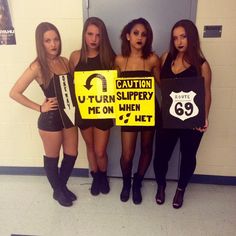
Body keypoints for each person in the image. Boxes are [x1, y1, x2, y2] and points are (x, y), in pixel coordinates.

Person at [9, 22, 78, 207]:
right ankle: (58, 191)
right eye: (47, 40)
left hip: (70, 115)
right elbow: (14, 92)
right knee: (52, 158)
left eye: (55, 39)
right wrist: (40, 108)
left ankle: (60, 187)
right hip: (51, 119)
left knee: (72, 154)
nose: (53, 44)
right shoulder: (38, 66)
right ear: (41, 43)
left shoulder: (64, 61)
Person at [153, 19, 212, 209]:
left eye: (183, 36)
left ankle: (180, 189)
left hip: (191, 121)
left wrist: (204, 117)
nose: (179, 41)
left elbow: (207, 93)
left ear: (192, 37)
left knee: (188, 156)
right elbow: (163, 87)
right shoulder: (165, 58)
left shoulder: (202, 65)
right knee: (161, 155)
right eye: (175, 38)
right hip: (167, 118)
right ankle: (161, 185)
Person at [115, 18, 160, 204]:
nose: (140, 37)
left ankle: (137, 182)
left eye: (144, 34)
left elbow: (162, 85)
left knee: (147, 148)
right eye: (136, 33)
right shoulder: (118, 60)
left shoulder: (152, 59)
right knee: (127, 155)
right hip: (128, 112)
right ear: (127, 36)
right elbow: (111, 88)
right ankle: (126, 182)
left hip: (149, 110)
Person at [69, 17, 116, 196]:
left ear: (102, 37)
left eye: (98, 35)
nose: (93, 39)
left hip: (103, 111)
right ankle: (95, 176)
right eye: (90, 34)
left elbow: (117, 85)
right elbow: (69, 84)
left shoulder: (110, 58)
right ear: (84, 35)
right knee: (90, 147)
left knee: (100, 150)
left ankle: (103, 175)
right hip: (83, 111)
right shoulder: (75, 56)